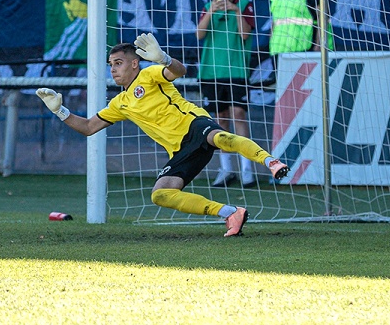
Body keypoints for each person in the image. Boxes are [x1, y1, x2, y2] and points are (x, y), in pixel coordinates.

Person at [36, 33, 290, 237]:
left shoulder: (148, 74)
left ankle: (270, 161)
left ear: (134, 63)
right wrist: (60, 111)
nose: (113, 69)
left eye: (118, 63)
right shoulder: (119, 103)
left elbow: (179, 71)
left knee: (221, 138)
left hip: (193, 124)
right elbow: (88, 127)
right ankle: (231, 213)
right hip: (180, 150)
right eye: (111, 65)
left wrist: (164, 59)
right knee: (161, 194)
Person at [196, 0, 257, 187]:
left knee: (238, 115)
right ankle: (226, 168)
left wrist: (235, 9)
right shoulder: (208, 7)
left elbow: (245, 34)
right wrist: (211, 11)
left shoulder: (244, 5)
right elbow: (199, 34)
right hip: (211, 72)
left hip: (236, 70)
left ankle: (247, 168)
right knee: (220, 119)